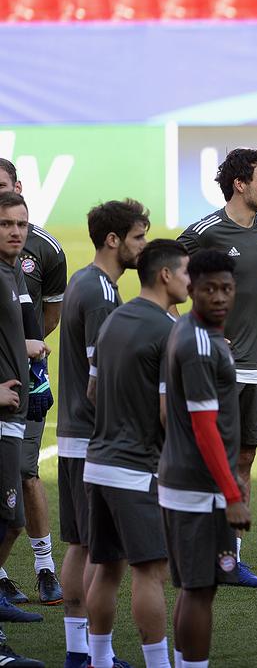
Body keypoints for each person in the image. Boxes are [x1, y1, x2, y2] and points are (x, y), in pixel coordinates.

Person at [82, 240, 189, 668]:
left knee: (107, 566)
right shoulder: (169, 330)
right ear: (165, 275)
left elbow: (92, 391)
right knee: (150, 571)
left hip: (99, 464)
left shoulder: (113, 320)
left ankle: (100, 660)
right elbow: (169, 414)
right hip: (137, 470)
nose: (191, 281)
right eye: (186, 273)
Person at [177, 147, 257, 589]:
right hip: (220, 368)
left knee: (245, 458)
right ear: (240, 184)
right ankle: (198, 549)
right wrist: (198, 330)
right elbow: (161, 275)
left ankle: (231, 559)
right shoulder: (205, 232)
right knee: (207, 458)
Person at [58, 199, 148, 668]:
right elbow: (100, 380)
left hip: (74, 434)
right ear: (114, 240)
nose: (144, 247)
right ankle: (99, 655)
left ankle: (79, 653)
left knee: (81, 543)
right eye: (138, 238)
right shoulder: (102, 294)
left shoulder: (81, 280)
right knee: (103, 552)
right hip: (95, 438)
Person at [159, 250, 252, 668]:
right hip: (199, 487)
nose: (219, 297)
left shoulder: (199, 333)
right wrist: (231, 492)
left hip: (195, 482)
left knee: (197, 588)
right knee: (199, 589)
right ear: (190, 289)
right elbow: (204, 428)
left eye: (226, 289)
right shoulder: (198, 343)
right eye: (209, 289)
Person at [0, 159, 64, 607]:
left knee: (25, 473)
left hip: (26, 388)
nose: (13, 227)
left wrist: (24, 351)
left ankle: (45, 568)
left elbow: (49, 317)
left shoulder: (44, 251)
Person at [0, 191, 49, 667]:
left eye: (22, 224)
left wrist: (29, 349)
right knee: (9, 520)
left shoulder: (15, 271)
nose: (16, 232)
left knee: (9, 520)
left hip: (14, 414)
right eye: (5, 224)